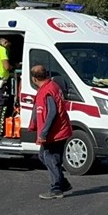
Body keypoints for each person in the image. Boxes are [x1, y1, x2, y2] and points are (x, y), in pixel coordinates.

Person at [29, 64, 74, 199]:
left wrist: (44, 132)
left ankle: (56, 188)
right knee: (43, 156)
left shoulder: (47, 90)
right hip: (58, 130)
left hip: (55, 133)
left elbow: (52, 113)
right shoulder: (51, 86)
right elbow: (38, 109)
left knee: (50, 158)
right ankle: (63, 183)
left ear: (34, 79)